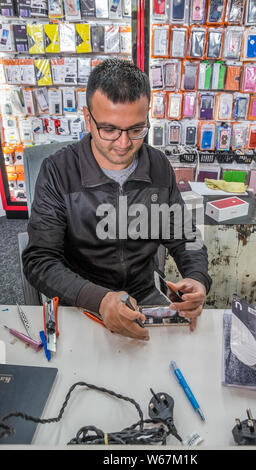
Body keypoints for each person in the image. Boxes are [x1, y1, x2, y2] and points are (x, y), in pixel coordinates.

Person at [22, 58, 212, 341]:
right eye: (109, 130)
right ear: (88, 119)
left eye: (136, 130)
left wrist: (197, 277)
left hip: (144, 294)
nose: (124, 144)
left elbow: (184, 236)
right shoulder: (59, 171)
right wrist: (99, 299)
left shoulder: (158, 166)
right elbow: (40, 260)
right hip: (81, 300)